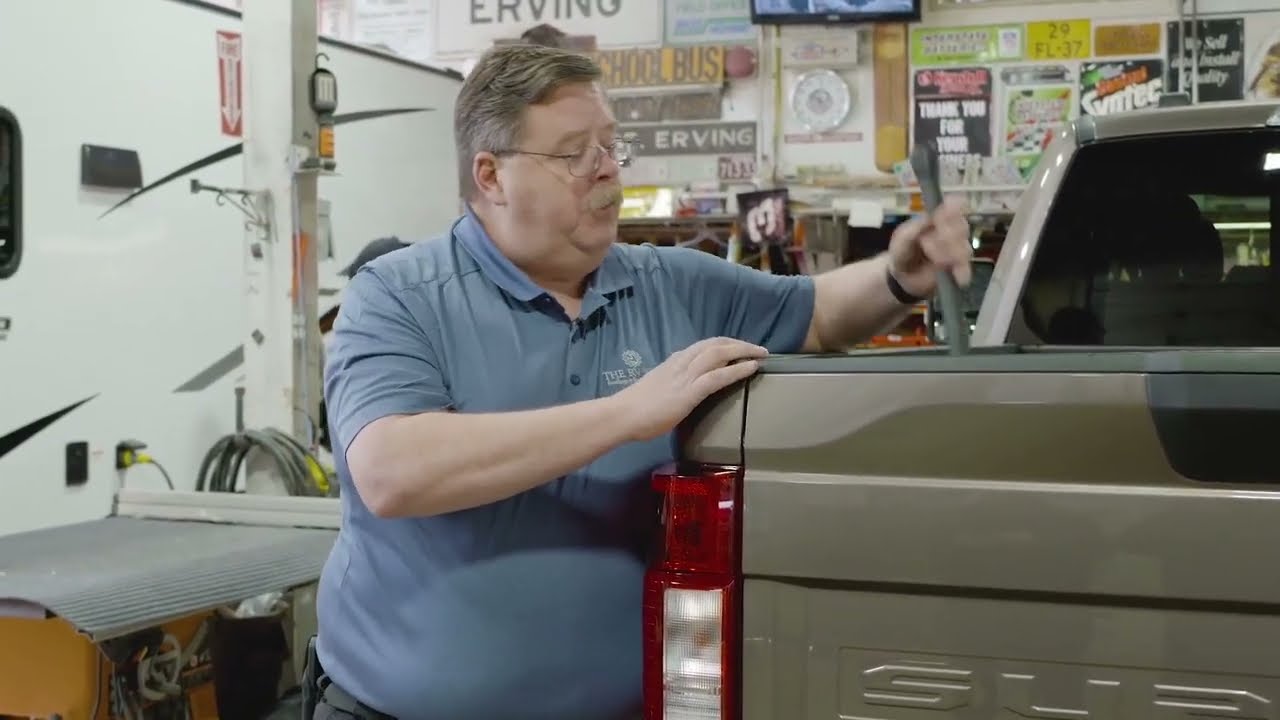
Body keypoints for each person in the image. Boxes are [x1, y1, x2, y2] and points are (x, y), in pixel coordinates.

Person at [312, 43, 972, 720]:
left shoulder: (667, 283)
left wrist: (899, 275)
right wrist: (628, 414)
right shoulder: (398, 296)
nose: (605, 167)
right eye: (575, 153)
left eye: (609, 145)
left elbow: (819, 313)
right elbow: (392, 472)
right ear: (491, 176)